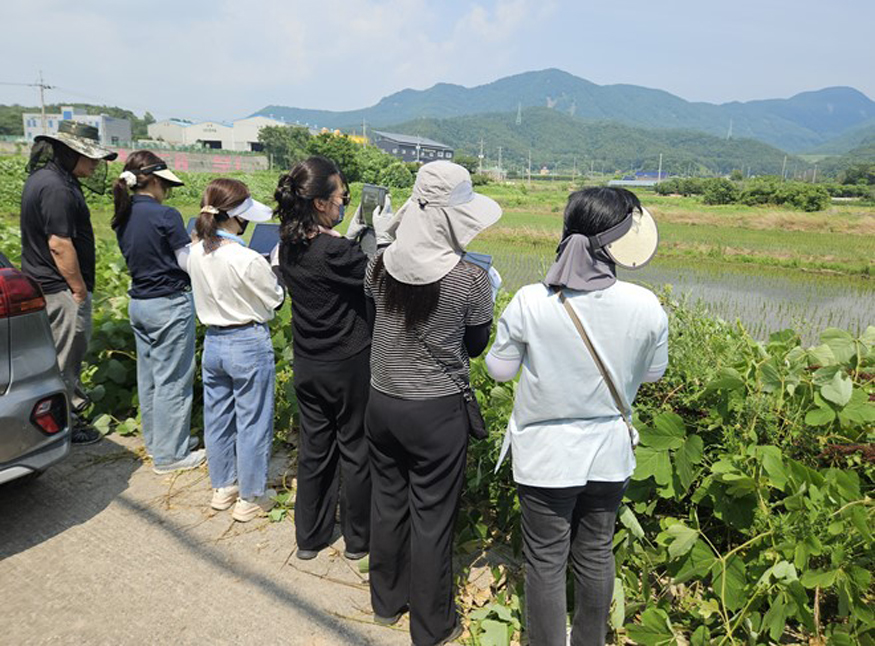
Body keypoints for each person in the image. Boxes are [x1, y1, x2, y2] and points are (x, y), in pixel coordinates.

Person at [485, 187, 668, 646]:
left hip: (545, 458)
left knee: (546, 561)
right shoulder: (646, 305)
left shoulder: (530, 300)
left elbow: (499, 371)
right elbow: (653, 374)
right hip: (609, 455)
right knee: (596, 552)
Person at [365, 161, 501, 646]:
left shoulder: (379, 263)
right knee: (433, 518)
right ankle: (432, 625)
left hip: (381, 402)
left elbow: (375, 312)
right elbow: (476, 346)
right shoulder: (471, 279)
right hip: (436, 412)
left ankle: (385, 602)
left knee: (388, 503)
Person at [275, 156, 393, 561]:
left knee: (315, 449)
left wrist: (347, 234)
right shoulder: (334, 252)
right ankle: (358, 540)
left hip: (309, 362)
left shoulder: (288, 244)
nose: (344, 203)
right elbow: (377, 275)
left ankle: (309, 537)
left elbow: (328, 250)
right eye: (341, 197)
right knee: (355, 450)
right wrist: (382, 236)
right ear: (321, 203)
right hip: (347, 363)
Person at [186, 178, 284, 522]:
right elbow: (273, 300)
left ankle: (223, 486)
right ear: (236, 218)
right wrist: (273, 268)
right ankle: (251, 497)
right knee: (253, 420)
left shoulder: (195, 252)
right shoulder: (245, 258)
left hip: (213, 342)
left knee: (218, 418)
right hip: (247, 342)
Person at [19, 120, 118, 445]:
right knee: (65, 358)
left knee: (57, 356)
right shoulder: (57, 189)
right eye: (89, 157)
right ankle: (64, 424)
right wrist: (76, 288)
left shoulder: (45, 179)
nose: (93, 164)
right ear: (70, 152)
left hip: (44, 284)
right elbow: (59, 244)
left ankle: (62, 416)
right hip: (59, 290)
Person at [111, 151, 205, 474]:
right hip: (169, 303)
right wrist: (195, 246)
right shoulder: (166, 216)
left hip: (139, 303)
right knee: (173, 379)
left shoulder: (122, 214)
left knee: (149, 378)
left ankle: (159, 442)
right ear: (151, 181)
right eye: (165, 184)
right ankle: (171, 456)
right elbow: (184, 262)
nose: (167, 191)